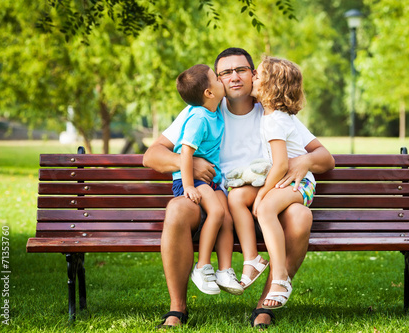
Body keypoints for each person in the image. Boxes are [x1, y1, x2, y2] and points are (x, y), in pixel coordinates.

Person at [143, 47, 335, 328]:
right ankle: (177, 309)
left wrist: (303, 161)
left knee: (301, 215)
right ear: (216, 82)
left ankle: (267, 303)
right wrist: (191, 164)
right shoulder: (201, 110)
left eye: (241, 70)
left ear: (254, 74)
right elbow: (152, 155)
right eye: (225, 72)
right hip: (214, 201)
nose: (234, 77)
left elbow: (325, 157)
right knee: (177, 209)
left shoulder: (272, 110)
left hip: (263, 201)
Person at [172, 64, 243, 296]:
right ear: (209, 93)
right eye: (217, 77)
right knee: (216, 212)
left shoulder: (214, 111)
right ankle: (202, 266)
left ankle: (225, 270)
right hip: (192, 180)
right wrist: (189, 185)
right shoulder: (198, 119)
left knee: (227, 218)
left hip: (211, 181)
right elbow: (185, 152)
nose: (223, 80)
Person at [251, 56, 316, 309]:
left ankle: (279, 276)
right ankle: (278, 275)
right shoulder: (274, 117)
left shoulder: (275, 120)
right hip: (293, 184)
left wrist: (262, 194)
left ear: (270, 86)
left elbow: (280, 165)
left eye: (258, 76)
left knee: (265, 209)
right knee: (267, 209)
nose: (253, 77)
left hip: (300, 185)